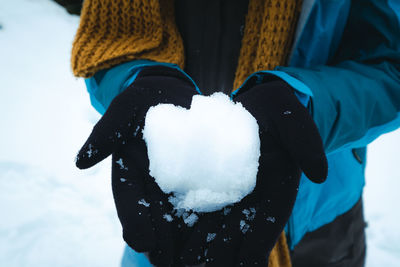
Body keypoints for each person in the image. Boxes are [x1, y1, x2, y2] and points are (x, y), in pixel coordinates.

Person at [66, 0, 400, 266]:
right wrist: (134, 78)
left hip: (318, 213)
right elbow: (110, 42)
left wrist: (307, 104)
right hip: (162, 201)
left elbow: (390, 62)